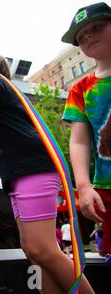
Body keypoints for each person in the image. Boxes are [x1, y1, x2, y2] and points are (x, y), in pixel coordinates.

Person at [0, 51, 97, 294]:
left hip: (33, 169)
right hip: (20, 175)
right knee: (33, 250)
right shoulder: (1, 103)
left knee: (44, 250)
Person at [61, 2, 111, 259]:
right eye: (81, 37)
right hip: (107, 188)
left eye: (97, 26)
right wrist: (82, 185)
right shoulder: (80, 90)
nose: (88, 35)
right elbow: (79, 141)